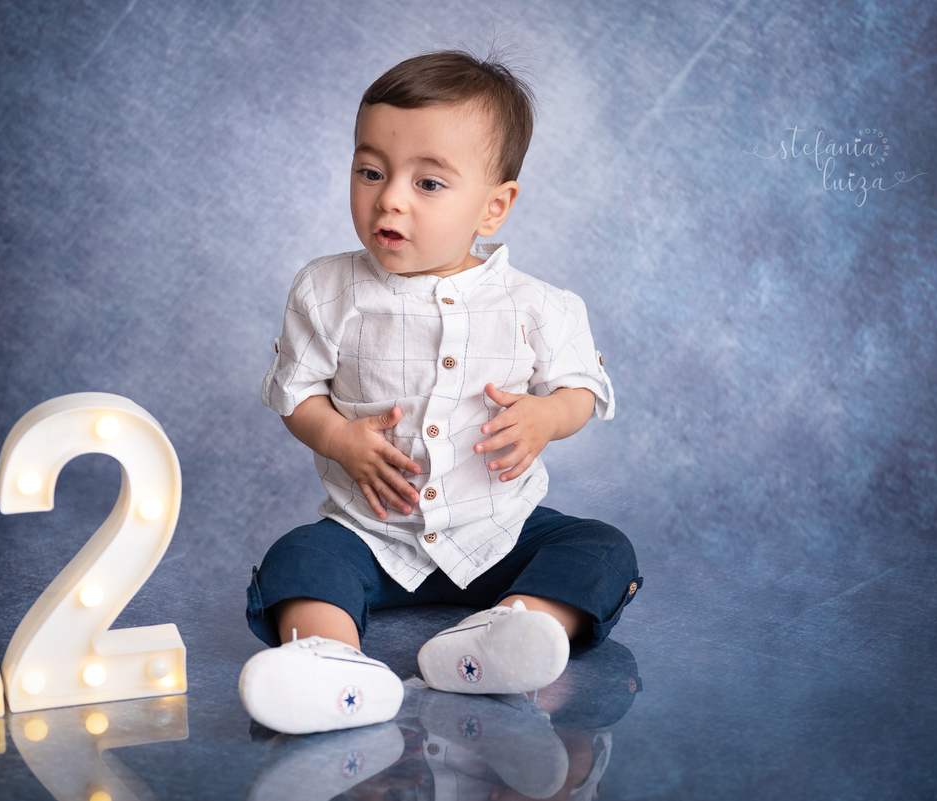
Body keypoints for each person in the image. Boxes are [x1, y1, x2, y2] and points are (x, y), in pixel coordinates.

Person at [240, 50, 641, 736]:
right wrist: (337, 437)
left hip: (501, 530)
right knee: (298, 559)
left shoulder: (539, 305)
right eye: (371, 172)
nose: (389, 198)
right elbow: (297, 394)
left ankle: (509, 633)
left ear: (494, 206)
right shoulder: (327, 289)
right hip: (371, 534)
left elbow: (579, 390)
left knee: (602, 549)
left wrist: (546, 416)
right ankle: (333, 664)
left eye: (428, 183)